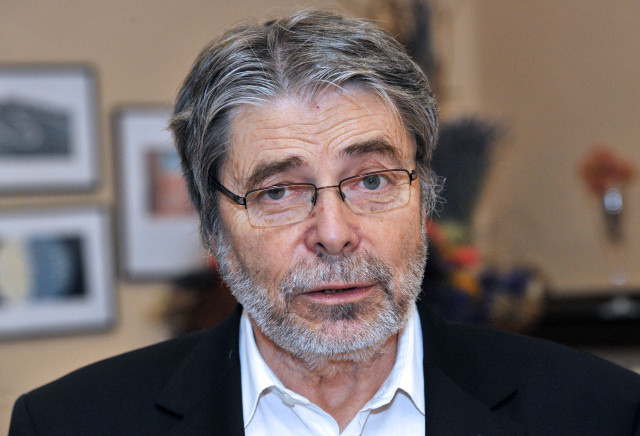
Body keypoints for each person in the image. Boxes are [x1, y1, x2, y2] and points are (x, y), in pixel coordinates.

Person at [9, 10, 640, 436]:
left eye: (372, 181)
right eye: (279, 191)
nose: (334, 233)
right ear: (212, 227)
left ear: (424, 198)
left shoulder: (598, 412)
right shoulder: (70, 424)